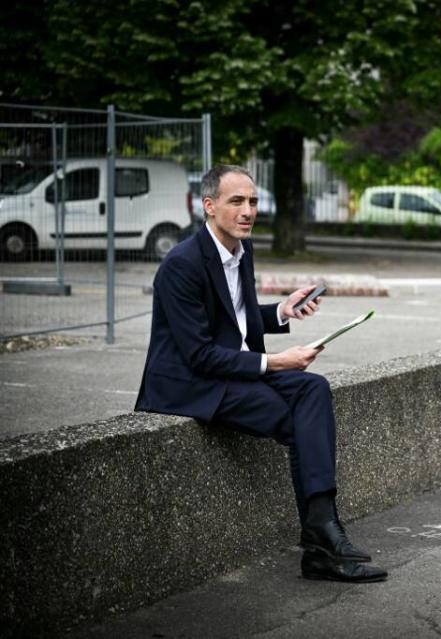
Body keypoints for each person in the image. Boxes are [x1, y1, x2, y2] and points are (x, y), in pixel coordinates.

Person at [135, 164, 386, 583]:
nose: (248, 210)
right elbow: (199, 354)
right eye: (237, 201)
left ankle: (323, 534)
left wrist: (282, 312)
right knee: (299, 420)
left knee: (314, 390)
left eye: (252, 201)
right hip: (193, 384)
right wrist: (275, 362)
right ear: (209, 207)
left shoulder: (240, 249)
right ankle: (323, 542)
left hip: (232, 370)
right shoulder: (181, 265)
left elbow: (236, 319)